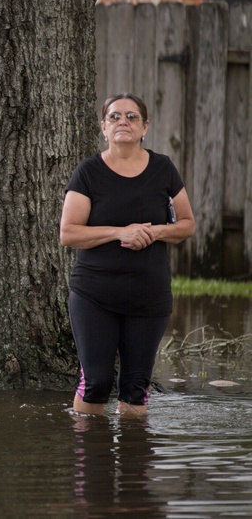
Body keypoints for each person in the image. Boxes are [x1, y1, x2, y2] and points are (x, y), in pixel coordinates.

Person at [59, 93, 195, 418]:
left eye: (132, 117)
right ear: (103, 127)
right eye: (115, 116)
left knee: (135, 388)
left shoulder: (163, 169)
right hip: (95, 296)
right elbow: (69, 233)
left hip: (149, 299)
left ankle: (134, 465)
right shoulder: (88, 172)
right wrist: (120, 232)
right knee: (97, 382)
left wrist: (154, 232)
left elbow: (187, 225)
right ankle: (91, 462)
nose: (123, 122)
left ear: (145, 126)